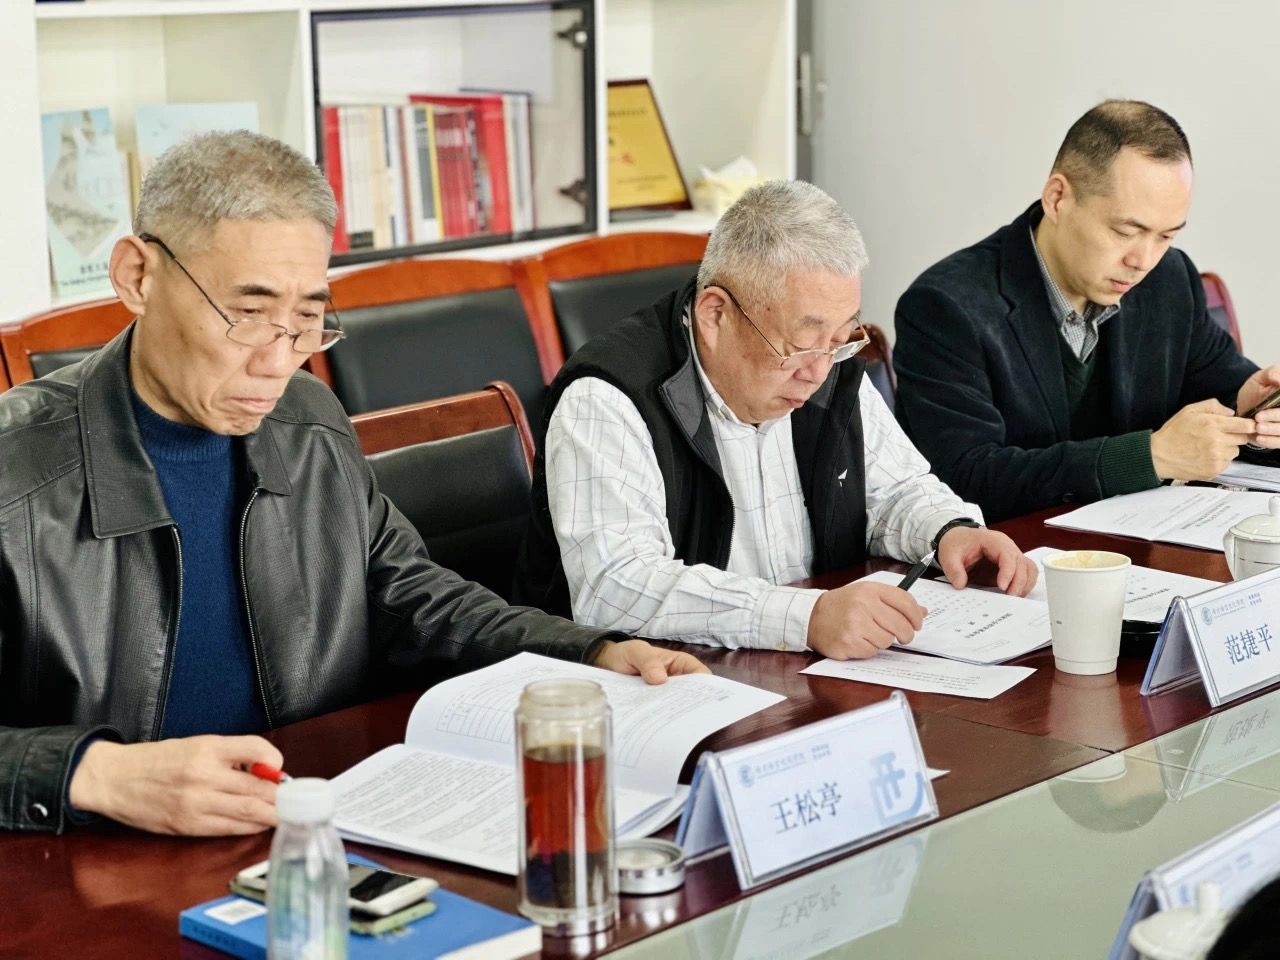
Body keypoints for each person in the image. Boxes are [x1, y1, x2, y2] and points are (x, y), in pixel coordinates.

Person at [0, 132, 705, 838]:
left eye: (307, 318)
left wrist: (589, 651)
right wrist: (99, 774)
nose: (280, 361)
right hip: (96, 862)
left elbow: (414, 597)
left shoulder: (308, 423)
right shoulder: (14, 472)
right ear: (137, 276)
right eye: (248, 314)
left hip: (310, 822)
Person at [514, 180, 1037, 660]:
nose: (818, 371)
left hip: (800, 675)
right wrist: (805, 618)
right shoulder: (608, 397)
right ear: (715, 314)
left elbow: (896, 490)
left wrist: (949, 531)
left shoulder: (827, 364)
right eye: (800, 344)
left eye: (841, 338)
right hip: (655, 689)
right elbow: (617, 585)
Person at [893, 99, 1280, 523]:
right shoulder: (946, 307)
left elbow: (1222, 389)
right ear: (1057, 198)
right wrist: (1148, 456)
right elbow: (964, 478)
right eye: (1125, 231)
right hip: (1015, 553)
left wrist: (1253, 415)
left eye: (1165, 236)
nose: (1143, 260)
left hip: (1144, 545)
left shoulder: (1169, 281)